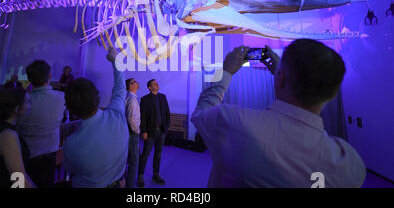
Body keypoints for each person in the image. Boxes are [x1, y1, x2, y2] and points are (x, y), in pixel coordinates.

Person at [191, 39, 366, 187]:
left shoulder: (233, 122)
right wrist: (281, 75)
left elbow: (201, 112)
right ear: (333, 93)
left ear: (280, 78)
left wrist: (225, 71)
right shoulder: (350, 164)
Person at [63, 47, 128, 188]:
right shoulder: (117, 116)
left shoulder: (71, 144)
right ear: (97, 97)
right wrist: (115, 61)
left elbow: (71, 170)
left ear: (71, 109)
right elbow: (120, 88)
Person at [16, 60, 65, 188]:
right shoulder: (61, 97)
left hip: (23, 157)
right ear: (50, 76)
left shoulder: (21, 100)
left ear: (29, 78)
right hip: (49, 157)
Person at [0, 88, 36, 188]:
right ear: (17, 109)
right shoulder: (9, 135)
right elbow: (18, 179)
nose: (31, 105)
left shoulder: (0, 127)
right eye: (28, 102)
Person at [137, 79, 171, 187]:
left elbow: (167, 113)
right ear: (149, 87)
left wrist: (166, 126)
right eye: (154, 84)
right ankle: (140, 176)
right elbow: (143, 117)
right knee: (145, 155)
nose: (157, 84)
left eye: (157, 83)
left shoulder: (163, 97)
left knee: (158, 155)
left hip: (161, 131)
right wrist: (144, 131)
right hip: (150, 132)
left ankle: (156, 175)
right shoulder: (145, 99)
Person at [125, 78, 141, 188]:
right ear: (130, 86)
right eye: (134, 82)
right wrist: (137, 131)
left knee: (129, 158)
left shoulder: (131, 97)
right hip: (132, 133)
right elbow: (131, 118)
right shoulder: (131, 99)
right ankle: (130, 185)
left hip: (130, 132)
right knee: (133, 161)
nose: (137, 82)